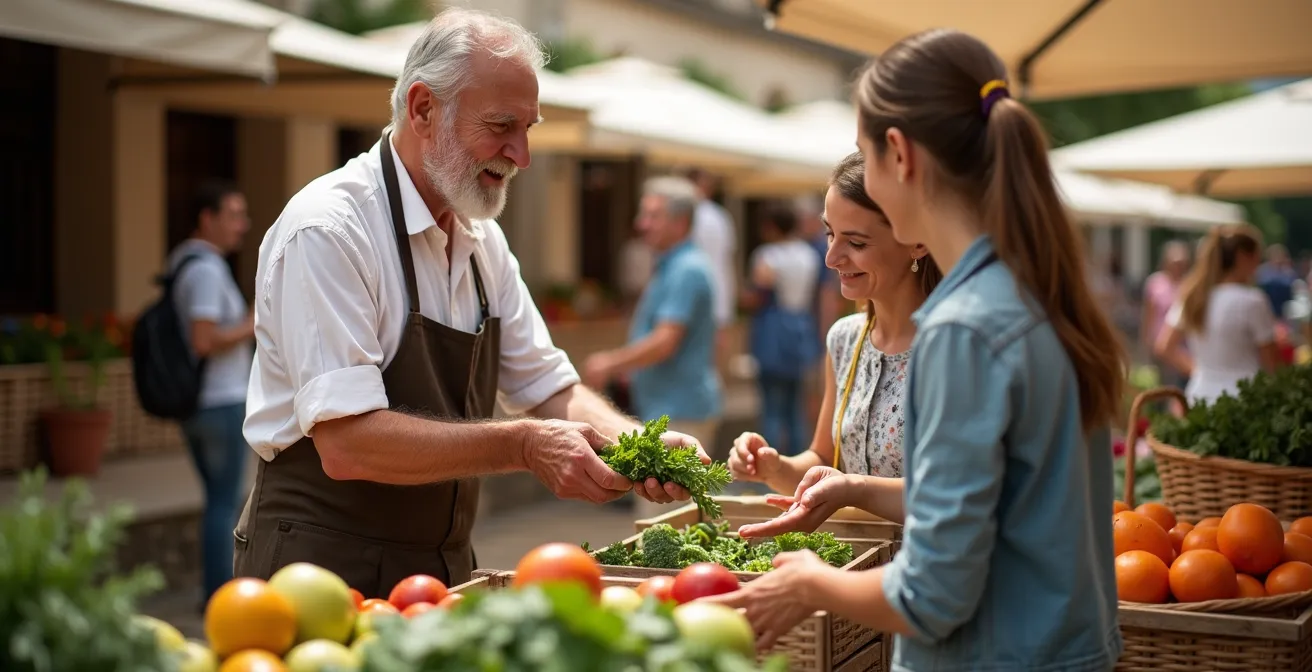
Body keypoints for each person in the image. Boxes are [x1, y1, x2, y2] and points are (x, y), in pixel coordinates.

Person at [236, 8, 704, 596]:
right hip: (318, 568)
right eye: (502, 125)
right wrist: (524, 444)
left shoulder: (483, 239)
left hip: (439, 568)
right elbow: (348, 443)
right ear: (423, 109)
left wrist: (639, 445)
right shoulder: (329, 230)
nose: (521, 155)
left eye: (528, 128)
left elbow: (546, 385)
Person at [705, 28, 1128, 672]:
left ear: (899, 154)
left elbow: (931, 596)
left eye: (865, 153)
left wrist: (809, 582)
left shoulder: (961, 329)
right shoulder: (1032, 293)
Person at [729, 152, 939, 493]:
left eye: (856, 242)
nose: (831, 258)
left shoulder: (954, 346)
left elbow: (951, 493)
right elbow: (823, 460)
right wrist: (773, 467)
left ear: (917, 241)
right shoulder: (845, 339)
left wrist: (852, 489)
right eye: (830, 234)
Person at [583, 176, 722, 514]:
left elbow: (665, 341)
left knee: (662, 525)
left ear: (680, 222)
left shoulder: (686, 269)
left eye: (653, 215)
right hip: (671, 407)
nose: (641, 224)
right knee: (673, 525)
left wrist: (610, 363)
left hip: (680, 411)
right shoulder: (674, 265)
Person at [167, 180, 255, 604]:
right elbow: (203, 339)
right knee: (224, 504)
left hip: (204, 402)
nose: (243, 224)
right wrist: (253, 322)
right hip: (220, 401)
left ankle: (215, 592)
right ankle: (221, 597)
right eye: (234, 214)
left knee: (217, 501)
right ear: (207, 218)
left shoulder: (184, 262)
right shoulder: (205, 269)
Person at [1155, 224, 1281, 404]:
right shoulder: (1252, 301)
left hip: (1200, 395)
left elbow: (1164, 346)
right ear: (1242, 257)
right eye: (1256, 257)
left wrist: (1200, 371)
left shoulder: (1193, 296)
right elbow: (1271, 364)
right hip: (1244, 399)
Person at [742, 205, 821, 457]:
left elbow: (758, 294)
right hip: (801, 327)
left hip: (773, 331)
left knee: (772, 407)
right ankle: (798, 463)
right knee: (795, 406)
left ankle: (768, 463)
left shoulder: (768, 255)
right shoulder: (808, 254)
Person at [1141, 240, 1191, 388]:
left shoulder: (1188, 284)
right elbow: (1148, 314)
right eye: (1175, 263)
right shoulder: (1155, 283)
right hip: (1159, 343)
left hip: (1183, 346)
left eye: (1181, 263)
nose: (1178, 267)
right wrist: (1146, 342)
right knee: (1162, 384)